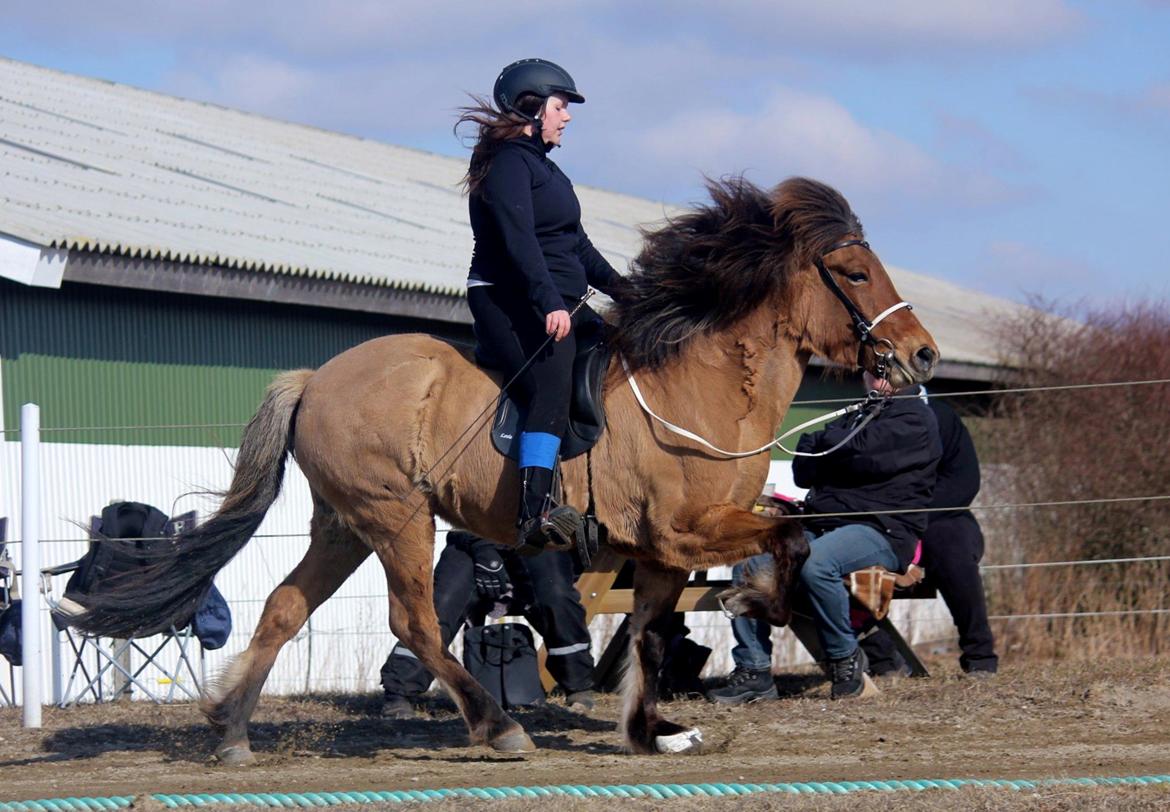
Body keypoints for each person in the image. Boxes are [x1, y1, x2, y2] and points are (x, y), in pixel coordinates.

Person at [458, 58, 632, 550]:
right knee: (550, 388)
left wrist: (632, 296)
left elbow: (577, 247)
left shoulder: (549, 173)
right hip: (509, 298)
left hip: (557, 299)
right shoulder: (508, 164)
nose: (568, 117)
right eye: (561, 107)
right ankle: (535, 512)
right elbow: (519, 242)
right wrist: (550, 302)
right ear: (533, 109)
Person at [708, 371, 941, 703]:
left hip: (881, 528)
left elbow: (865, 458)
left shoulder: (915, 418)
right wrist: (829, 448)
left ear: (906, 375)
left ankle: (845, 663)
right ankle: (754, 671)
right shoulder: (859, 413)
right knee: (750, 565)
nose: (875, 378)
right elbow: (804, 470)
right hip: (822, 523)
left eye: (885, 372)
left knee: (818, 564)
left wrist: (826, 446)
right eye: (872, 371)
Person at [380, 530, 596, 718]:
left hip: (538, 536)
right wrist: (483, 549)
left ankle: (578, 685)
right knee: (442, 603)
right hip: (471, 536)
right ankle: (399, 689)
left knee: (556, 596)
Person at [860, 397, 999, 677]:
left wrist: (910, 513)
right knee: (845, 557)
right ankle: (882, 658)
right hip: (878, 519)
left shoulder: (941, 416)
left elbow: (964, 480)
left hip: (941, 515)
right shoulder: (861, 417)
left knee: (954, 552)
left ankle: (980, 656)